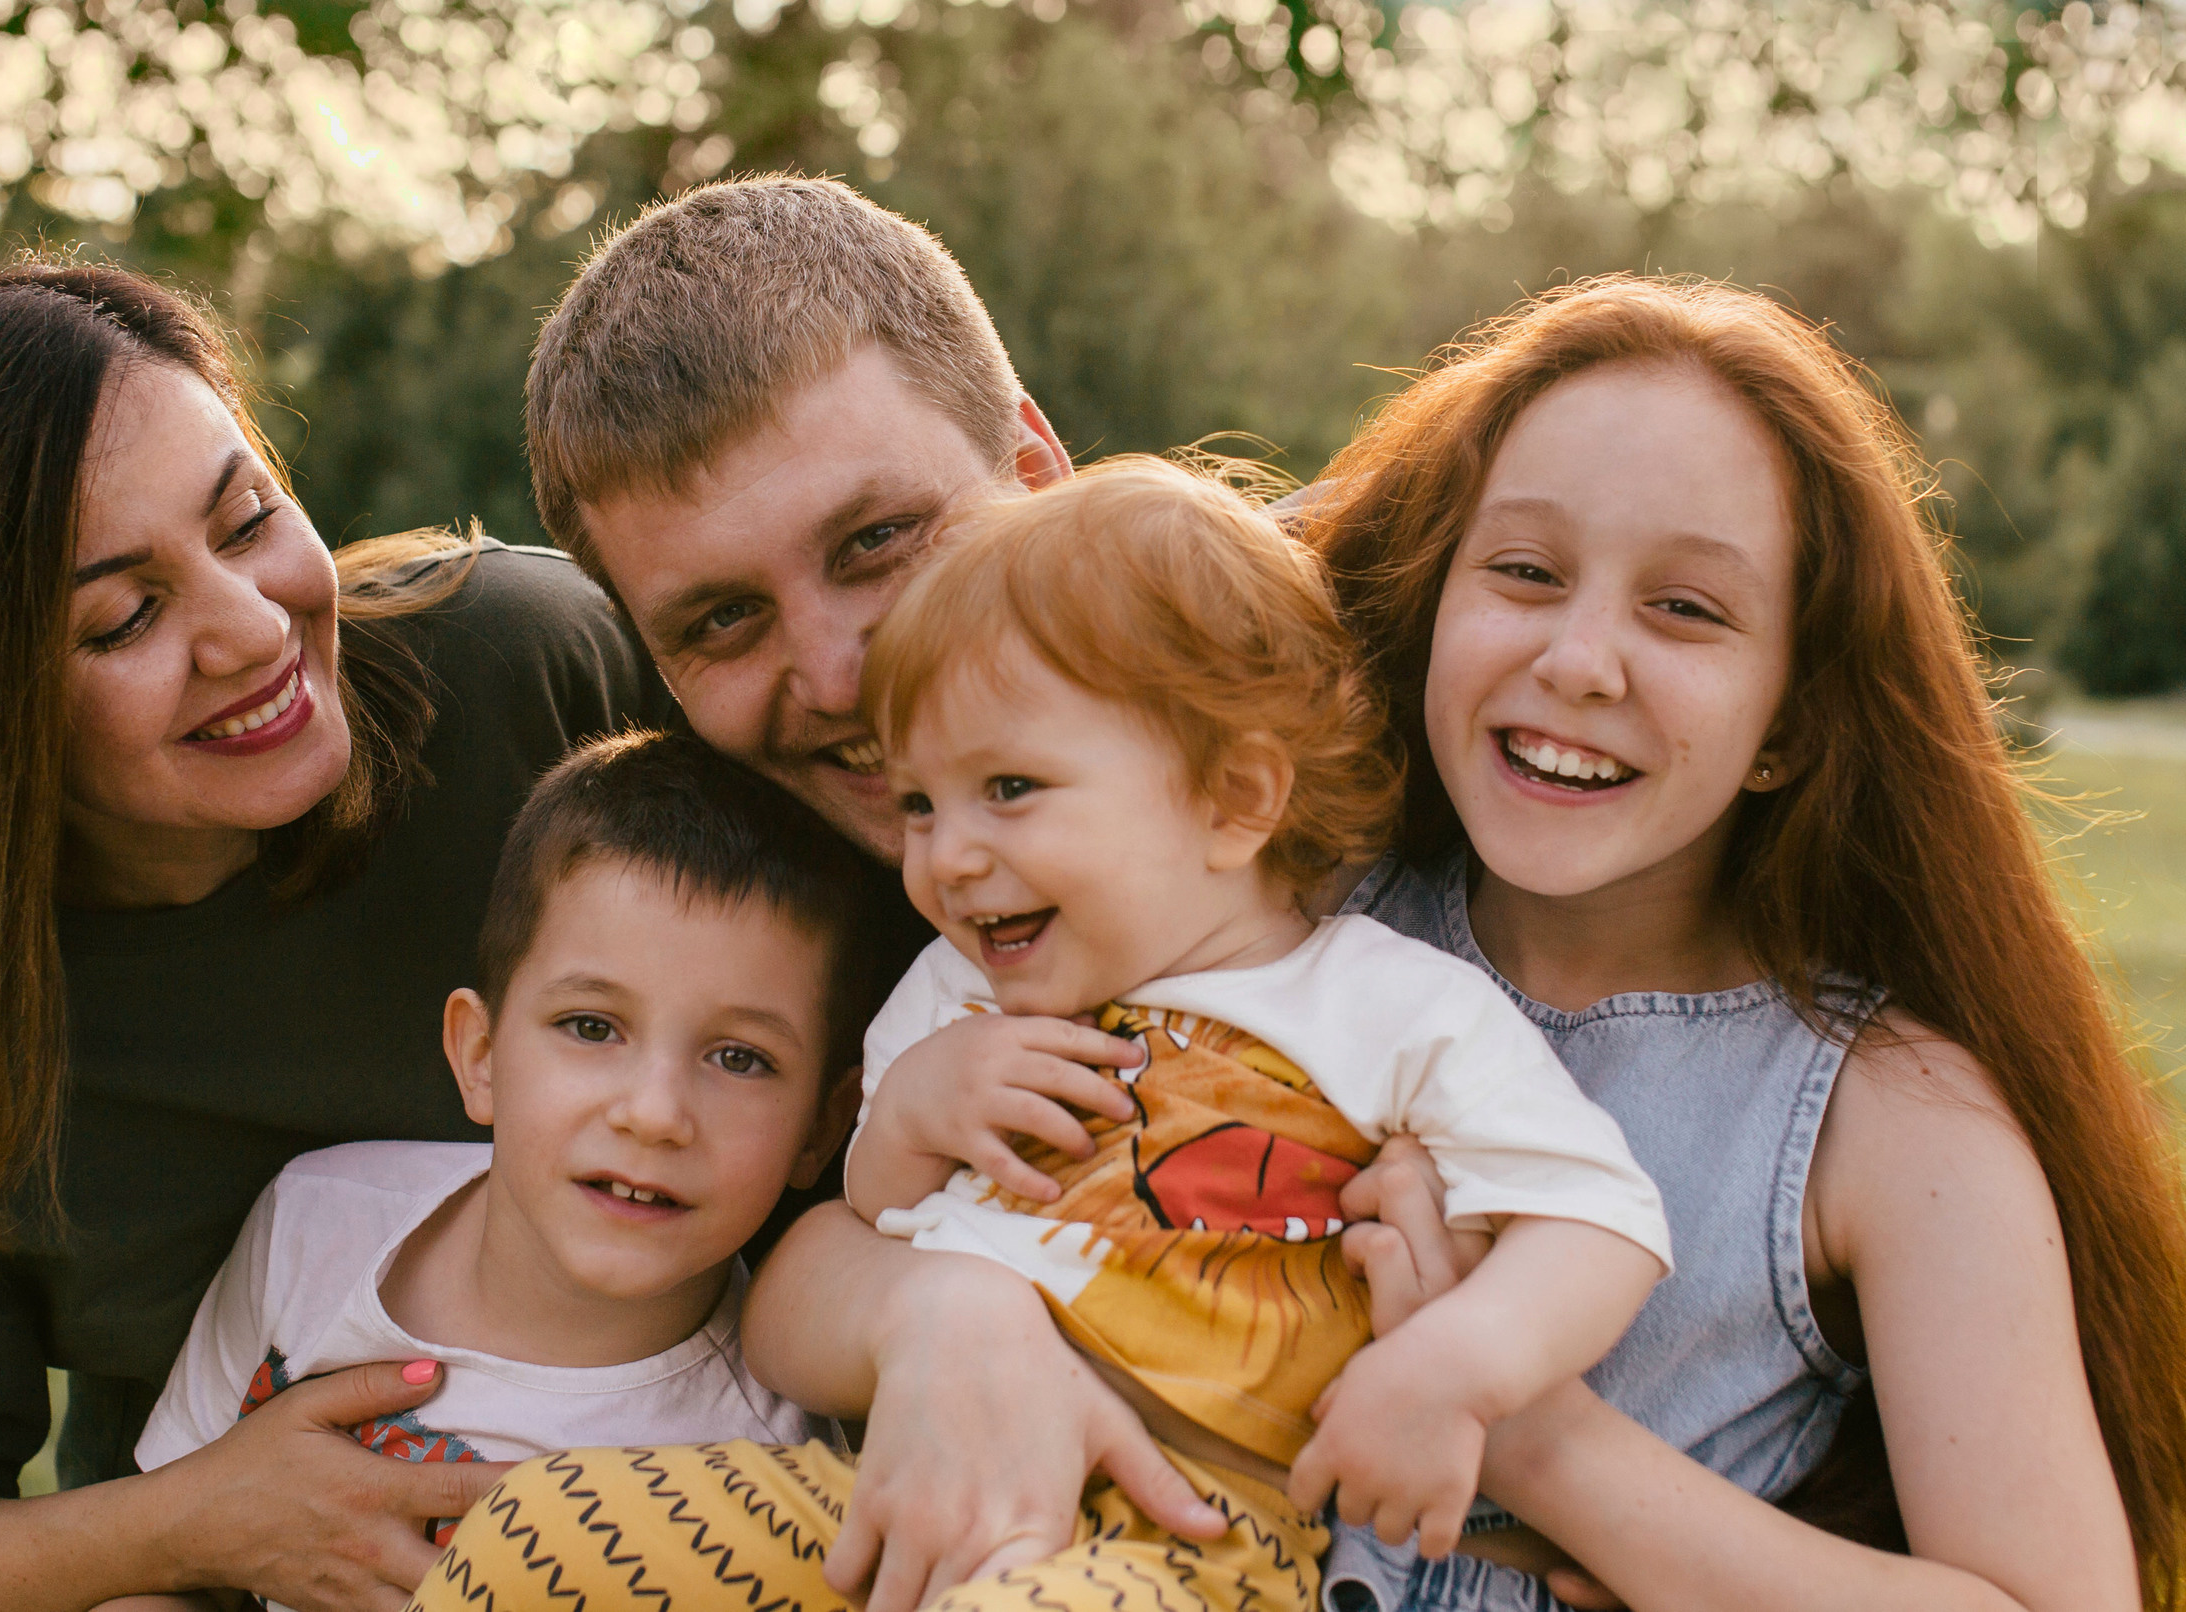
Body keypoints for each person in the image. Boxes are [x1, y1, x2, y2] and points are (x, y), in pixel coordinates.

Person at [403, 459, 1672, 1611]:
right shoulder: (959, 995)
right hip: (910, 1485)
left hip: (1197, 1533)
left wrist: (1452, 1368)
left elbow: (1595, 1217)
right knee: (546, 1526)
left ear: (1232, 799)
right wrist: (907, 1117)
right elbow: (867, 1206)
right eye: (917, 802)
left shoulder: (1386, 1004)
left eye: (1008, 788)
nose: (946, 858)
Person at [0, 263, 671, 1612]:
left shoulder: (525, 675)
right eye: (122, 618)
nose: (251, 633)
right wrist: (193, 1524)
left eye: (244, 525)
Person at [1297, 276, 2186, 1611]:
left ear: (1786, 727)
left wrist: (1540, 1438)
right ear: (1433, 603)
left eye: (1687, 610)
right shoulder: (1280, 910)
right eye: (1524, 573)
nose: (1582, 659)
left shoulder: (1888, 1115)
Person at [521, 176, 1290, 1608]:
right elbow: (810, 1252)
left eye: (878, 541)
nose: (839, 674)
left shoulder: (1294, 751)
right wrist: (939, 1307)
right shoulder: (764, 902)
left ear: (1040, 475)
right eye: (722, 621)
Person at [99, 730, 874, 1612]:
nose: (654, 1114)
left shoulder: (765, 1472)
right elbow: (173, 1567)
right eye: (591, 1027)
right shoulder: (315, 1224)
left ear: (821, 1127)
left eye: (739, 1058)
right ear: (480, 1057)